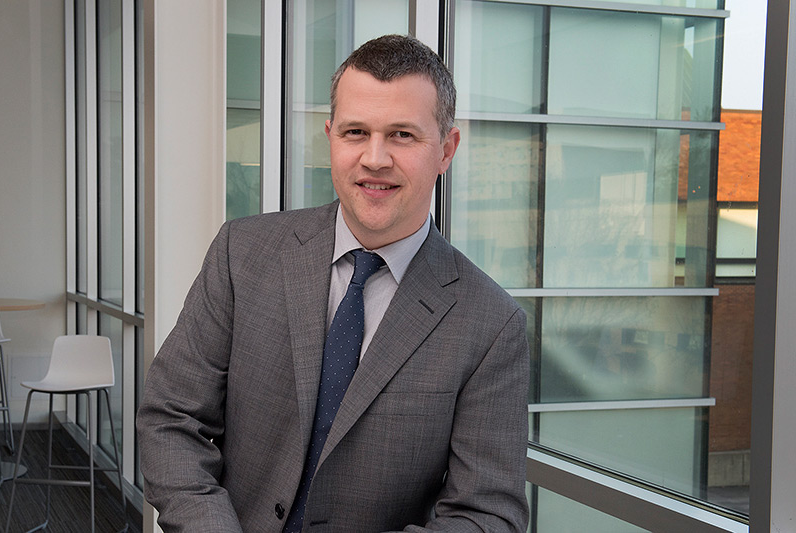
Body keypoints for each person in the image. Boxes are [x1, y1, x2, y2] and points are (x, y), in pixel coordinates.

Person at [137, 34, 530, 532]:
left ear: (446, 149)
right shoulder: (243, 253)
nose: (374, 158)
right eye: (356, 132)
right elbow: (170, 420)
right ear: (330, 137)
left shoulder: (491, 324)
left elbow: (488, 517)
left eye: (403, 135)